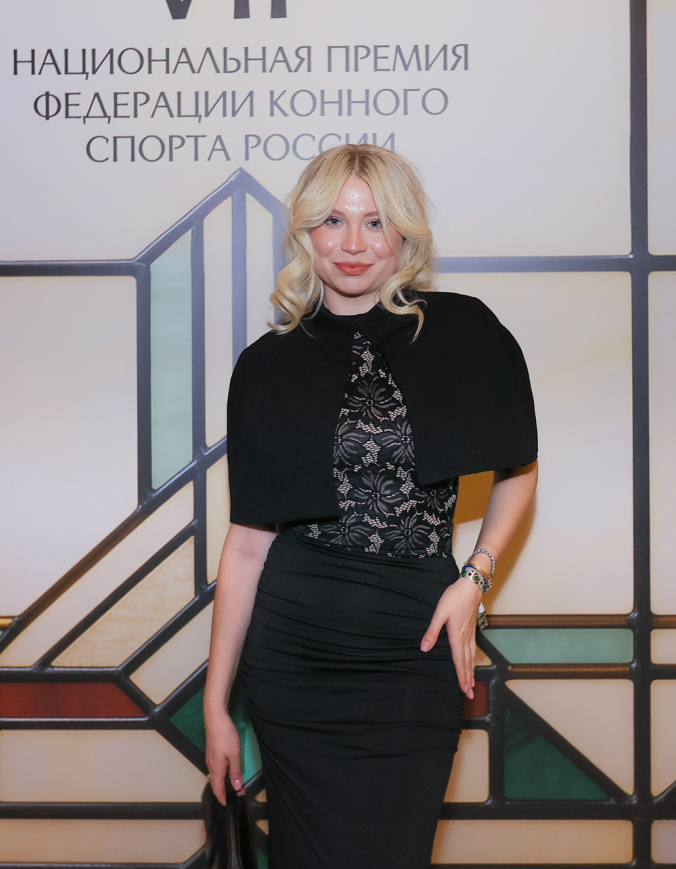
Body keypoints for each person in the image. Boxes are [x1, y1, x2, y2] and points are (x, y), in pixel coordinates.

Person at [204, 144, 539, 869]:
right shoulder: (265, 366)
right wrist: (216, 702)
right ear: (306, 232)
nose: (353, 243)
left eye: (375, 221)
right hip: (293, 657)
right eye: (333, 220)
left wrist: (474, 580)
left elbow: (519, 469)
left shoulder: (463, 331)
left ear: (404, 234)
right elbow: (248, 546)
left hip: (413, 648)